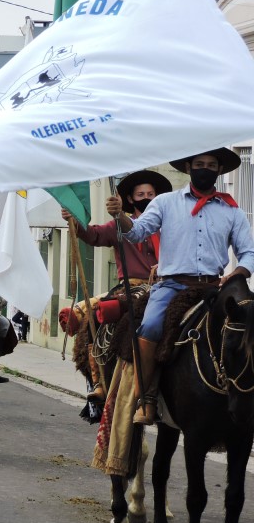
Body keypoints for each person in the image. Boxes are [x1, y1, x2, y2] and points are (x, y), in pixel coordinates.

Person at [110, 148, 254, 425]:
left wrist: (236, 273)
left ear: (219, 171)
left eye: (211, 165)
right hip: (172, 285)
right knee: (150, 326)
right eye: (199, 164)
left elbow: (248, 252)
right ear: (188, 167)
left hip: (213, 286)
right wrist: (121, 217)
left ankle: (242, 393)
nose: (205, 168)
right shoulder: (165, 202)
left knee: (244, 328)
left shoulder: (232, 210)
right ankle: (146, 398)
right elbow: (138, 231)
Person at [60, 169, 170, 410]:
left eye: (151, 193)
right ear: (130, 199)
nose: (146, 197)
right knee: (97, 318)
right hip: (130, 287)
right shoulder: (118, 225)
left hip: (165, 285)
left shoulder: (169, 224)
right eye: (141, 193)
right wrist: (75, 219)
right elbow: (93, 235)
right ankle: (98, 381)